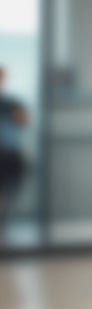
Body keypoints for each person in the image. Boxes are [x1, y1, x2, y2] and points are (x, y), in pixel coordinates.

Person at [0, 67, 28, 240]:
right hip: (8, 153)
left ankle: (4, 226)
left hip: (10, 153)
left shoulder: (12, 103)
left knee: (9, 192)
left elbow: (24, 121)